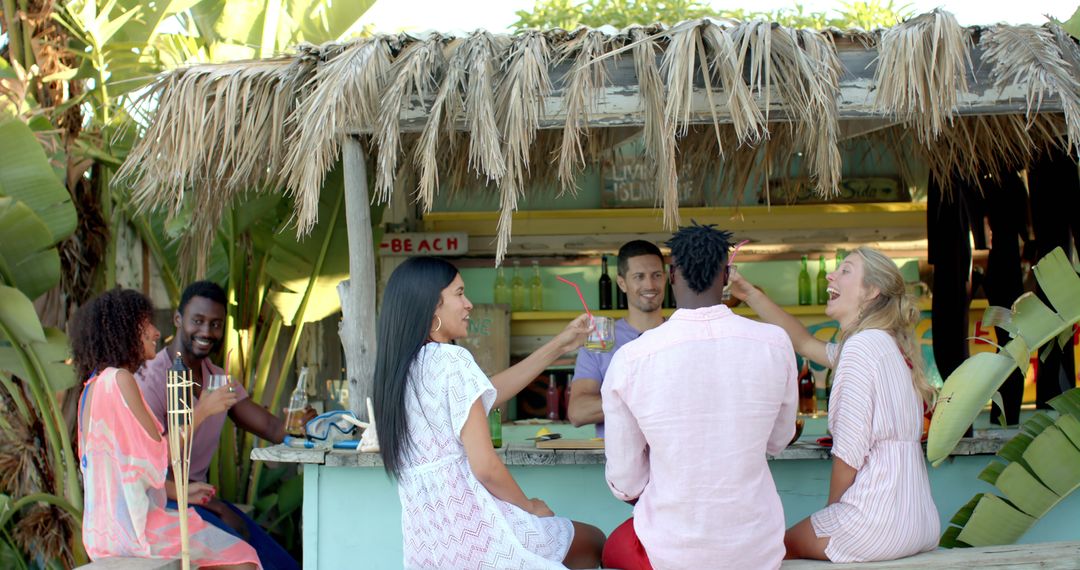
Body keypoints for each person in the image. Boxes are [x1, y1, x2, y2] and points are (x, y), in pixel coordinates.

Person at [373, 256, 606, 569]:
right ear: (432, 305)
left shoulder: (399, 371)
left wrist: (560, 345)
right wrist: (529, 506)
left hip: (432, 545)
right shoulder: (452, 360)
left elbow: (487, 393)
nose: (469, 304)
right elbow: (485, 466)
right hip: (484, 532)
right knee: (595, 541)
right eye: (459, 294)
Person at [601, 223, 798, 570]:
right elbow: (778, 441)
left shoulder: (632, 358)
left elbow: (626, 481)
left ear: (672, 275)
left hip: (668, 552)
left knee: (610, 550)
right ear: (726, 275)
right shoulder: (774, 343)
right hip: (757, 551)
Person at [729, 246, 940, 562]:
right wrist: (748, 293)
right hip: (918, 522)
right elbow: (802, 342)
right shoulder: (885, 344)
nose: (831, 274)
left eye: (846, 270)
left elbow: (849, 452)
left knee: (769, 552)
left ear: (871, 291)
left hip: (875, 525)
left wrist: (833, 515)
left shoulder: (860, 349)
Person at [71, 288, 260, 569]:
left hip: (101, 534)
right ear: (126, 329)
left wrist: (179, 492)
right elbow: (160, 453)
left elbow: (126, 471)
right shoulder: (121, 380)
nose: (156, 332)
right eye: (146, 324)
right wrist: (203, 410)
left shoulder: (93, 386)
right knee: (243, 557)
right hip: (137, 533)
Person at [136, 281, 311, 570]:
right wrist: (201, 410)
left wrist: (301, 423)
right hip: (160, 502)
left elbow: (271, 427)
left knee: (281, 563)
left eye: (215, 324)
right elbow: (149, 461)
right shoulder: (151, 378)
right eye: (198, 321)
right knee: (246, 554)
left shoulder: (217, 378)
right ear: (178, 320)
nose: (207, 332)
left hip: (199, 497)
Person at [568, 240, 667, 436]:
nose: (649, 284)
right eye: (639, 277)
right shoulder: (598, 340)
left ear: (665, 278)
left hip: (673, 461)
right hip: (619, 464)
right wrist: (646, 395)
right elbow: (578, 412)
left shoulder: (682, 333)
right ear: (622, 283)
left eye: (656, 275)